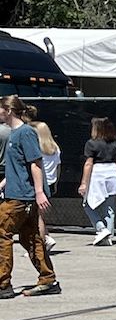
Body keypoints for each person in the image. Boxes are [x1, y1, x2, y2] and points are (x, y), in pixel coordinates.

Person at [0, 95, 59, 297]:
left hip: (21, 197)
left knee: (2, 233)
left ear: (8, 111)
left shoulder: (25, 133)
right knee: (31, 238)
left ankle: (3, 284)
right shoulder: (13, 134)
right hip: (17, 193)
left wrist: (39, 192)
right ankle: (48, 279)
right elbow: (18, 167)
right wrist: (3, 184)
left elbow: (35, 163)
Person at [78, 117, 116, 246]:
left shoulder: (91, 143)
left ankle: (101, 229)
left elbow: (88, 164)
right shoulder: (115, 143)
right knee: (110, 207)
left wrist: (83, 183)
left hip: (98, 173)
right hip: (112, 172)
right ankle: (108, 236)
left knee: (87, 204)